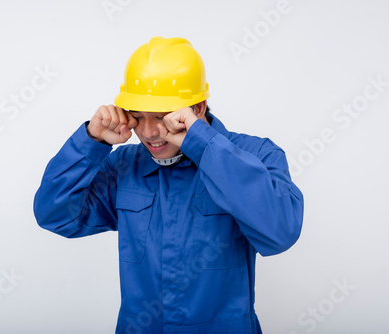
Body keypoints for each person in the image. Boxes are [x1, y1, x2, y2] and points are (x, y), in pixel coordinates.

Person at [33, 36, 304, 334]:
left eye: (161, 117)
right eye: (138, 117)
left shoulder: (256, 155)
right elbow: (55, 215)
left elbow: (280, 232)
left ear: (198, 108)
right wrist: (91, 142)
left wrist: (203, 145)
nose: (148, 132)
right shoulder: (124, 167)